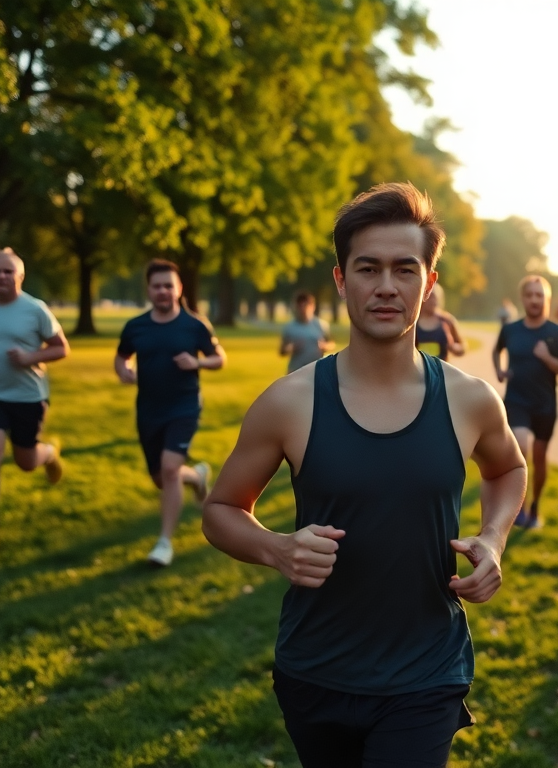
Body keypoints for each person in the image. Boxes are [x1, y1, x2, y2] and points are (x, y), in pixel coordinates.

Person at [201, 182, 526, 767]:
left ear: (429, 284)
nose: (384, 286)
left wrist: (494, 539)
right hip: (316, 669)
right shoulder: (290, 402)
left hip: (426, 672)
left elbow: (507, 469)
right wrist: (276, 549)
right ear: (340, 279)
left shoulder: (470, 400)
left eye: (405, 270)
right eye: (367, 268)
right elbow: (221, 510)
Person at [0, 248, 69, 556]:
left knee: (25, 461)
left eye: (8, 272)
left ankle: (48, 454)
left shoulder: (36, 309)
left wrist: (31, 357)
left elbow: (61, 348)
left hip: (28, 396)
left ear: (20, 276)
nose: (2, 276)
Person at [116, 260, 228, 567]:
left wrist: (198, 364)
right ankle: (197, 475)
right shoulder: (135, 326)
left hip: (184, 406)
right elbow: (122, 355)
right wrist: (124, 370)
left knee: (168, 470)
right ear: (149, 290)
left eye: (169, 285)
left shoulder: (194, 325)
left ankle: (164, 543)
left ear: (179, 289)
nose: (163, 291)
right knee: (161, 478)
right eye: (157, 286)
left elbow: (219, 358)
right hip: (149, 409)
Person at [494, 275, 558, 529]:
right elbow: (496, 350)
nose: (534, 300)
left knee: (540, 457)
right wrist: (499, 370)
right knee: (521, 447)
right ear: (523, 298)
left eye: (539, 295)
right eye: (530, 295)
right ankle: (520, 505)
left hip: (545, 404)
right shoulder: (511, 330)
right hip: (516, 400)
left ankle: (535, 505)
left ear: (547, 299)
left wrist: (548, 359)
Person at [280, 291, 334, 373]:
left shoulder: (322, 325)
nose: (303, 310)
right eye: (300, 306)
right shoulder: (290, 327)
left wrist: (324, 346)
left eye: (305, 306)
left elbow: (331, 344)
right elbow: (282, 350)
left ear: (312, 306)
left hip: (317, 370)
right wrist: (292, 348)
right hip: (296, 370)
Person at [415, 283, 466, 361]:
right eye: (431, 296)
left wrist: (454, 347)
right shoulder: (413, 322)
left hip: (442, 370)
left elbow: (463, 347)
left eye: (437, 297)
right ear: (423, 297)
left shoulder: (447, 320)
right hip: (419, 371)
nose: (434, 300)